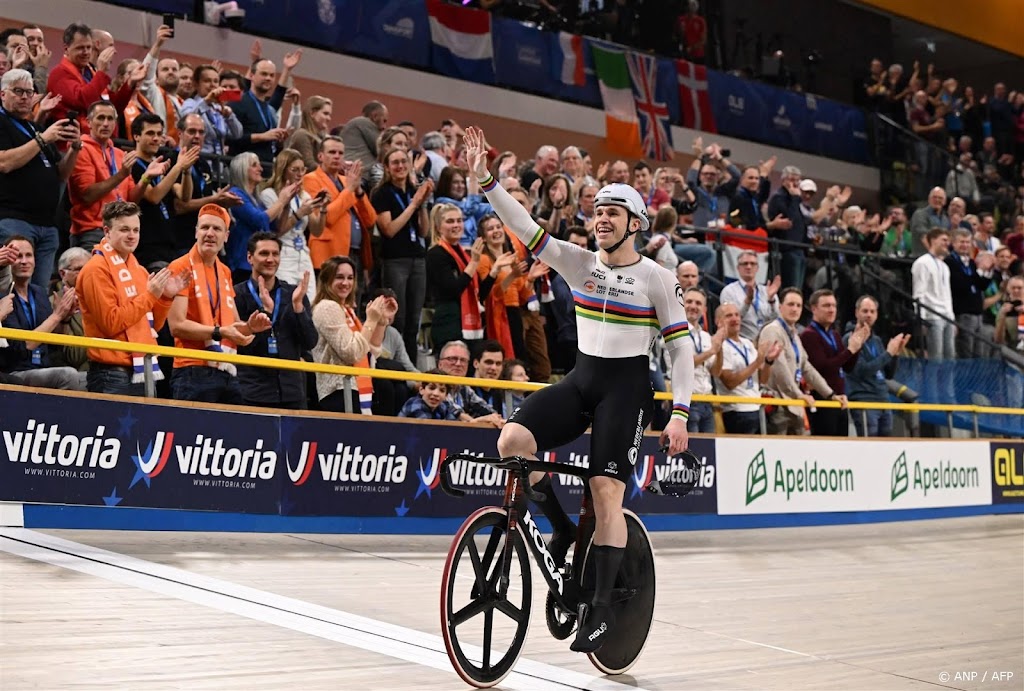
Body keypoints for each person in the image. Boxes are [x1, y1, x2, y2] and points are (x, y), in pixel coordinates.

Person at [465, 126, 693, 653]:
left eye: (613, 213)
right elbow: (525, 226)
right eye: (598, 212)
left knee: (605, 490)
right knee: (512, 443)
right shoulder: (579, 263)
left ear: (635, 224)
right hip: (583, 378)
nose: (602, 219)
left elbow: (681, 351)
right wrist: (486, 183)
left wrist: (680, 413)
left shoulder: (658, 278)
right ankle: (564, 531)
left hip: (628, 389)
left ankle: (599, 606)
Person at [167, 204, 272, 403]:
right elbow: (177, 326)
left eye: (217, 229)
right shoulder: (180, 266)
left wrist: (250, 327)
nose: (210, 233)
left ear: (226, 236)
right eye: (205, 227)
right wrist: (220, 332)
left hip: (226, 368)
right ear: (196, 232)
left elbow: (234, 326)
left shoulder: (224, 271)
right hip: (191, 369)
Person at [76, 201, 180, 395]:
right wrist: (150, 295)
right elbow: (111, 322)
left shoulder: (138, 270)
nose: (132, 236)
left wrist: (165, 297)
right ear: (107, 232)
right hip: (111, 374)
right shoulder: (95, 270)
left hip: (144, 369)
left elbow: (151, 327)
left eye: (136, 230)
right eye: (124, 229)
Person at [0, 68, 82, 289]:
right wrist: (43, 139)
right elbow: (4, 163)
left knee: (39, 291)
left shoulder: (34, 127)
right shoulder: (3, 123)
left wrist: (75, 147)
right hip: (14, 221)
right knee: (11, 289)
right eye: (18, 91)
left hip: (47, 223)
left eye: (29, 92)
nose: (25, 97)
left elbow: (62, 173)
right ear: (3, 94)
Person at [68, 101, 168, 252]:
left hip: (121, 231)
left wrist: (146, 178)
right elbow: (87, 195)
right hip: (93, 231)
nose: (106, 123)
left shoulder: (120, 154)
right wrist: (122, 174)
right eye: (101, 118)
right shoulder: (81, 148)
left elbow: (132, 199)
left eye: (110, 119)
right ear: (88, 122)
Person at [233, 232, 317, 409]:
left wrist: (298, 308)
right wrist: (266, 312)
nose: (270, 259)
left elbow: (310, 342)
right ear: (250, 257)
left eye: (275, 254)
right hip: (252, 391)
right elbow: (236, 343)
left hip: (292, 392)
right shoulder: (236, 295)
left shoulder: (294, 294)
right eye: (264, 253)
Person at [311, 255, 397, 414]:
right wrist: (371, 320)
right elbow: (352, 353)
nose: (346, 283)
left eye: (350, 278)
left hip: (355, 388)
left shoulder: (347, 310)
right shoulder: (327, 307)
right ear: (326, 280)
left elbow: (370, 352)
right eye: (339, 277)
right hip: (338, 391)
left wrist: (381, 321)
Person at [371, 146, 432, 360]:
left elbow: (424, 231)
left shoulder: (413, 191)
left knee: (414, 321)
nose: (400, 166)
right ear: (387, 168)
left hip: (418, 258)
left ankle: (412, 369)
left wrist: (422, 205)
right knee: (399, 318)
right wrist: (413, 204)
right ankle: (394, 364)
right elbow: (389, 229)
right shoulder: (382, 193)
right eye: (395, 162)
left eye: (404, 162)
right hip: (395, 259)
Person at [0, 235, 83, 390]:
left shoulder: (38, 293)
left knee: (88, 378)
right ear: (7, 261)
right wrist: (56, 315)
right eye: (18, 256)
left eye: (29, 255)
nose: (24, 261)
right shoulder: (5, 297)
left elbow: (49, 339)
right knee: (68, 376)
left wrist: (64, 318)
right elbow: (25, 345)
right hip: (16, 371)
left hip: (44, 365)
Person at [759, 288, 841, 435]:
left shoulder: (794, 334)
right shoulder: (772, 330)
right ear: (780, 307)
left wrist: (830, 394)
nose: (795, 309)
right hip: (777, 404)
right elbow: (780, 369)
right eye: (790, 304)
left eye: (798, 305)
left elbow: (806, 367)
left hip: (794, 404)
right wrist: (799, 394)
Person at [129, 113, 201, 269]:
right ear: (136, 136)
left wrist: (186, 171)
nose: (156, 138)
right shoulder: (132, 165)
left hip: (170, 244)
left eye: (159, 134)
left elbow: (184, 196)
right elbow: (154, 196)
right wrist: (178, 167)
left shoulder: (161, 164)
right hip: (148, 246)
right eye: (150, 133)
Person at [302, 136, 376, 282]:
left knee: (353, 303)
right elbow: (327, 217)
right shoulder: (311, 179)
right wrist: (349, 189)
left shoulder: (347, 180)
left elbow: (371, 219)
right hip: (328, 254)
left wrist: (359, 190)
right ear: (320, 156)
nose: (337, 156)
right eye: (332, 152)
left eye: (340, 153)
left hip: (355, 252)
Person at [425, 204, 493, 356]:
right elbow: (452, 290)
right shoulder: (436, 254)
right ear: (438, 226)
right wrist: (474, 263)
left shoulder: (464, 254)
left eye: (459, 220)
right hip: (449, 323)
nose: (456, 225)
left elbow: (479, 294)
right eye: (450, 221)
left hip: (468, 322)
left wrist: (494, 272)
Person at [843, 295, 911, 437]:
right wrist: (888, 354)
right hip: (864, 401)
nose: (869, 315)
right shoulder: (850, 339)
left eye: (872, 311)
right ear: (856, 313)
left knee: (885, 449)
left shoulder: (877, 340)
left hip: (883, 400)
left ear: (877, 314)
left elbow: (889, 374)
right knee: (870, 449)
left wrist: (895, 354)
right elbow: (861, 371)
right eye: (865, 311)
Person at [800, 289, 865, 436]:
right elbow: (823, 368)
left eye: (834, 306)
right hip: (822, 400)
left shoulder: (834, 334)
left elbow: (847, 367)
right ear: (814, 309)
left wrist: (857, 346)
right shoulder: (809, 335)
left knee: (841, 449)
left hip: (840, 399)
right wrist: (849, 350)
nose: (831, 310)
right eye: (827, 306)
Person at [226, 151, 298, 282]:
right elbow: (259, 220)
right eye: (254, 165)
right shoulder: (235, 194)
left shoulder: (257, 199)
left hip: (259, 263)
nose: (260, 169)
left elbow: (277, 228)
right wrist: (281, 201)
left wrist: (286, 204)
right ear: (241, 169)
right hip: (242, 263)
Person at [708, 302, 777, 434]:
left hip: (757, 407)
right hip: (736, 411)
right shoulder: (719, 345)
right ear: (718, 321)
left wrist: (768, 361)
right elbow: (730, 382)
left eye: (737, 315)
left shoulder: (747, 343)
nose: (735, 319)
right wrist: (757, 362)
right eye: (728, 316)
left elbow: (762, 380)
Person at [259, 148, 323, 285]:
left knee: (309, 301)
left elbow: (317, 231)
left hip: (303, 255)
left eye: (302, 169)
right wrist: (299, 213)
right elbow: (278, 231)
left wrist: (323, 209)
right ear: (283, 170)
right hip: (283, 255)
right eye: (295, 170)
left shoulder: (304, 195)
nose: (300, 174)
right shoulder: (269, 195)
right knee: (286, 301)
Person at [683, 287, 724, 434]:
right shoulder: (674, 330)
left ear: (704, 309)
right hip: (685, 402)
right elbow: (685, 363)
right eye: (689, 301)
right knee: (690, 452)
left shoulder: (706, 336)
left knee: (707, 452)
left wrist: (720, 348)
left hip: (706, 401)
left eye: (698, 303)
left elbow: (716, 372)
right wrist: (712, 351)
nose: (693, 306)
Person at [435, 339, 503, 427]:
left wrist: (495, 417)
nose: (458, 364)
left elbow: (485, 408)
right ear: (440, 364)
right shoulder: (434, 385)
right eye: (452, 359)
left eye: (463, 360)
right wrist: (479, 420)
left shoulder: (464, 388)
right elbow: (457, 414)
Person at [911, 227, 956, 359]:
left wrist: (951, 318)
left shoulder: (944, 266)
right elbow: (919, 292)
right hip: (933, 316)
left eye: (948, 240)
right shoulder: (922, 263)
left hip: (947, 315)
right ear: (933, 240)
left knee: (950, 356)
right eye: (944, 240)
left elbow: (947, 294)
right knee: (935, 357)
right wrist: (922, 318)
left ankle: (948, 381)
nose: (947, 243)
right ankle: (932, 381)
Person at [718, 251, 781, 341]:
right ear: (738, 268)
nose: (748, 267)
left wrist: (771, 300)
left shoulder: (767, 290)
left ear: (757, 268)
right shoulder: (729, 291)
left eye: (752, 264)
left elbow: (776, 320)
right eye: (745, 264)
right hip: (743, 341)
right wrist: (747, 302)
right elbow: (730, 320)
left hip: (767, 341)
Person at [49, 248, 90, 374]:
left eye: (89, 269)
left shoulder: (101, 299)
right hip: (76, 371)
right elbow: (73, 356)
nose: (86, 273)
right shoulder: (53, 303)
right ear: (62, 273)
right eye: (79, 269)